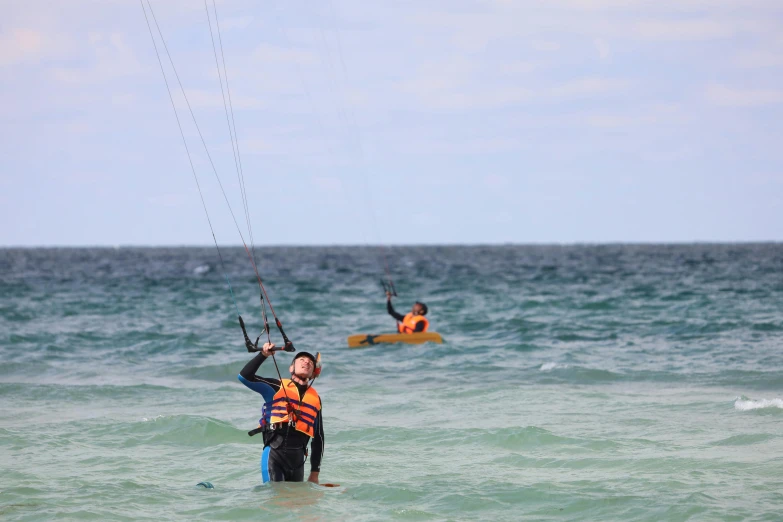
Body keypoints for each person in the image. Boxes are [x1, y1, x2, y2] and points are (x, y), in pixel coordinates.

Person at [238, 343, 324, 484]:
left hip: (298, 462)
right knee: (275, 501)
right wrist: (263, 355)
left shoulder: (315, 399)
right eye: (301, 359)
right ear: (291, 368)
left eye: (310, 362)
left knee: (297, 504)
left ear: (314, 372)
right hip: (274, 455)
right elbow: (244, 377)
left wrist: (315, 473)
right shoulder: (276, 386)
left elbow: (319, 437)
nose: (306, 362)